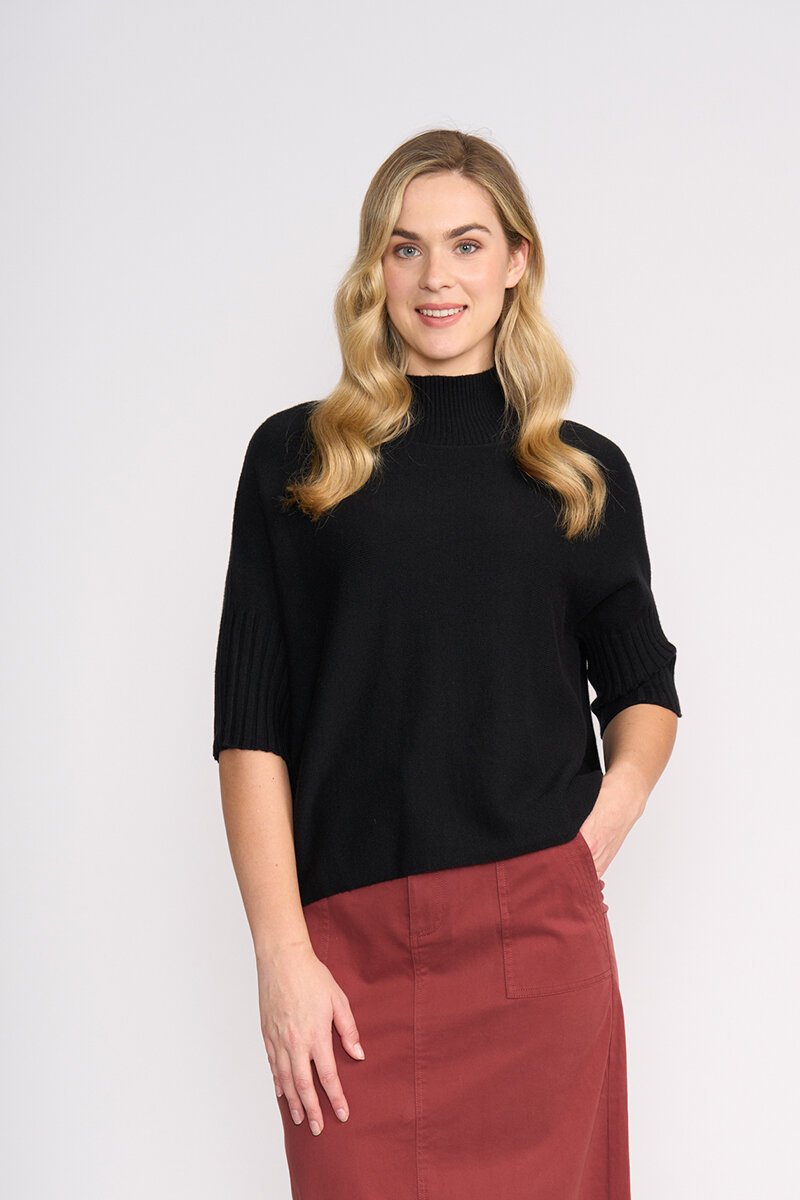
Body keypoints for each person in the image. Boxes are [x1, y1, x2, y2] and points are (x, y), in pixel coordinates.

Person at [212, 128, 682, 1199]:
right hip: (347, 956)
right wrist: (281, 957)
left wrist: (589, 840)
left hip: (536, 944)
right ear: (373, 268)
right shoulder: (299, 457)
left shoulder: (577, 472)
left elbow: (643, 689)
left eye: (467, 244)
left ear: (516, 260)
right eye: (405, 247)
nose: (436, 278)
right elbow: (250, 728)